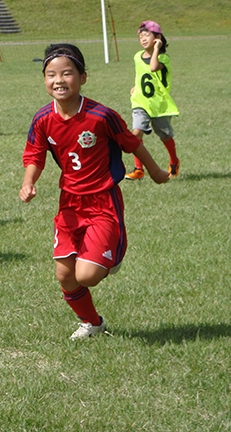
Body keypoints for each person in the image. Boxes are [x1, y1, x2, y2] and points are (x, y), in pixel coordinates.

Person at [19, 43, 169, 340]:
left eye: (67, 73)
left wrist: (154, 171)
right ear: (44, 80)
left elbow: (132, 143)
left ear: (83, 77)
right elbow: (34, 155)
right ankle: (93, 323)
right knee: (65, 275)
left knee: (86, 275)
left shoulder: (101, 116)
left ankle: (112, 254)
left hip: (103, 201)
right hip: (69, 204)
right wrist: (28, 181)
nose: (59, 80)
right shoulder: (42, 119)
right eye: (51, 74)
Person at [125, 20, 180, 180]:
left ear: (157, 38)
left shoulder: (164, 58)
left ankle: (174, 161)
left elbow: (153, 67)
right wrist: (135, 87)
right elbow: (141, 74)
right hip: (140, 102)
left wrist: (156, 48)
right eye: (140, 36)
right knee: (136, 134)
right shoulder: (137, 56)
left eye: (147, 35)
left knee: (165, 136)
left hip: (159, 104)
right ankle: (138, 169)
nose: (142, 39)